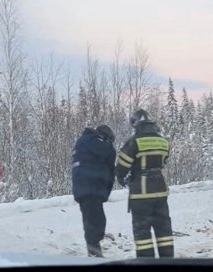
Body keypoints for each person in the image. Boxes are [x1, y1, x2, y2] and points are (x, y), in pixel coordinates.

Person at [116, 109, 174, 258]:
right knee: (164, 230)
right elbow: (164, 161)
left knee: (142, 233)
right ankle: (167, 262)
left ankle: (146, 265)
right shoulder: (163, 141)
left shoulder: (133, 142)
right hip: (161, 191)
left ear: (135, 124)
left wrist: (122, 179)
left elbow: (122, 166)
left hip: (141, 193)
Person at [71, 124, 117, 257]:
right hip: (91, 186)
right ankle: (94, 251)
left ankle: (94, 247)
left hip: (82, 187)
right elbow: (109, 156)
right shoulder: (96, 142)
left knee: (91, 218)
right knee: (94, 220)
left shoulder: (83, 141)